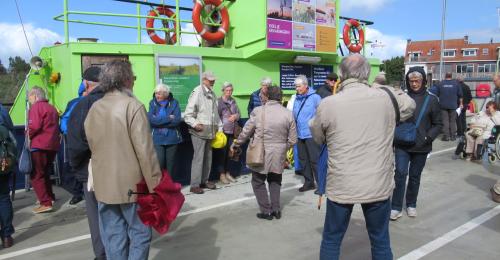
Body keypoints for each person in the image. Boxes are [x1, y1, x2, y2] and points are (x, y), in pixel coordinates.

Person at [311, 54, 415, 260]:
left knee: (332, 239)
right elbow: (410, 104)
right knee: (380, 240)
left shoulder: (329, 104)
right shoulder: (386, 98)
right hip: (377, 182)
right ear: (367, 74)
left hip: (342, 182)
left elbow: (317, 137)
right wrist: (382, 88)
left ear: (341, 75)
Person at [85, 60, 161, 259]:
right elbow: (146, 153)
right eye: (133, 78)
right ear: (126, 79)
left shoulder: (95, 108)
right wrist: (156, 187)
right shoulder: (133, 106)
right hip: (132, 186)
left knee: (113, 236)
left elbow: (92, 146)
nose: (134, 82)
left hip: (103, 186)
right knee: (141, 233)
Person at [231, 85, 296, 220]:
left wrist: (237, 143)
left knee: (258, 181)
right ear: (280, 97)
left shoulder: (258, 111)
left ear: (266, 96)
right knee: (275, 180)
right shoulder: (288, 113)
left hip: (261, 152)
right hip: (279, 153)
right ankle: (276, 210)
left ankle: (266, 210)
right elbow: (293, 139)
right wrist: (283, 148)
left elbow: (246, 131)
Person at [390, 67, 442, 221]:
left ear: (423, 81)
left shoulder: (432, 99)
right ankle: (396, 207)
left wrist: (428, 138)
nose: (414, 84)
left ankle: (411, 204)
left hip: (421, 146)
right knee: (400, 174)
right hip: (402, 144)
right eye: (411, 81)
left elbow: (438, 124)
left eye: (417, 81)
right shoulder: (402, 97)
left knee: (414, 176)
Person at [67, 66, 106, 260]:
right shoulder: (125, 102)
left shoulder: (84, 105)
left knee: (97, 216)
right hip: (122, 170)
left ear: (85, 84)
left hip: (91, 170)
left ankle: (102, 255)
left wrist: (77, 168)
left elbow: (75, 143)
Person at [60, 72, 98, 206]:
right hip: (76, 141)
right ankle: (77, 193)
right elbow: (64, 121)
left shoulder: (98, 101)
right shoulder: (74, 103)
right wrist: (69, 132)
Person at [184, 71, 223, 194]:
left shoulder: (212, 93)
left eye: (213, 79)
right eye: (210, 79)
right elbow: (188, 114)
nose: (213, 81)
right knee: (199, 158)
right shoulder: (197, 92)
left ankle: (204, 181)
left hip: (210, 131)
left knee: (208, 158)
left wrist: (219, 127)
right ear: (204, 80)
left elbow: (215, 113)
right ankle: (194, 185)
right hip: (199, 131)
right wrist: (195, 124)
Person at [28, 86, 60, 214]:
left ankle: (45, 202)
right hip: (52, 145)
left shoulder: (36, 107)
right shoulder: (51, 108)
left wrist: (27, 135)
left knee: (36, 174)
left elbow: (34, 126)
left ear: (35, 96)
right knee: (45, 172)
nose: (29, 100)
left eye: (30, 97)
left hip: (39, 145)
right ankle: (49, 196)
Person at [293, 75, 321, 192]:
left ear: (305, 85)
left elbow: (322, 113)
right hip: (300, 134)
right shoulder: (296, 98)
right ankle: (309, 182)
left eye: (299, 86)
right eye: (295, 86)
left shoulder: (315, 97)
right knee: (303, 160)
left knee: (315, 160)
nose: (297, 88)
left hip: (311, 134)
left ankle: (321, 184)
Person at [147, 83, 182, 175]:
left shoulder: (174, 102)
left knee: (171, 165)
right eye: (156, 93)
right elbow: (151, 121)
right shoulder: (152, 103)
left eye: (159, 93)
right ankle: (160, 185)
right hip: (157, 138)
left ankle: (169, 185)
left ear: (166, 94)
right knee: (160, 162)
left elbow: (177, 120)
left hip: (172, 138)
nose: (156, 96)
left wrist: (159, 121)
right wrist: (169, 118)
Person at [215, 82, 240, 184]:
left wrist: (235, 116)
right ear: (223, 91)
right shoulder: (219, 102)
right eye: (227, 90)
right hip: (223, 131)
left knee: (231, 153)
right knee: (222, 154)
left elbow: (238, 113)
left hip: (232, 131)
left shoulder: (233, 101)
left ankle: (228, 173)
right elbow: (216, 116)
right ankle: (222, 175)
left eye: (230, 90)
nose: (229, 92)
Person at [0, 104, 14, 248]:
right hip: (2, 164)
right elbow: (12, 139)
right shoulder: (3, 111)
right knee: (3, 198)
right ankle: (6, 236)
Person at [435, 72, 463, 141]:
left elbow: (437, 94)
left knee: (445, 121)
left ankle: (446, 136)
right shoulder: (456, 83)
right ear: (451, 76)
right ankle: (453, 136)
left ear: (445, 75)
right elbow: (460, 95)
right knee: (452, 121)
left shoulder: (440, 83)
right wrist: (461, 104)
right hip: (453, 105)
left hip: (443, 105)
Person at [490, 73, 500, 202]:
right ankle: (497, 190)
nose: (493, 83)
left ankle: (497, 190)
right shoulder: (496, 91)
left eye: (495, 81)